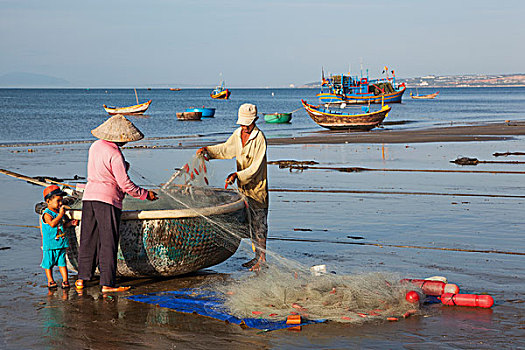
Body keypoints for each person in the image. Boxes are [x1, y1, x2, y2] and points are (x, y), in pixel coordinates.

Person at [75, 114, 158, 293]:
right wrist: (145, 194)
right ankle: (107, 283)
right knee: (108, 241)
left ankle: (82, 279)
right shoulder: (115, 154)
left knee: (88, 239)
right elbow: (125, 185)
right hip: (107, 201)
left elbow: (101, 171)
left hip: (89, 198)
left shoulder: (95, 146)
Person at [197, 103, 268, 271]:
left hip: (257, 188)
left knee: (259, 224)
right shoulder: (238, 134)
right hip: (243, 188)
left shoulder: (259, 139)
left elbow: (255, 168)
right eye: (243, 123)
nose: (245, 127)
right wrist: (208, 150)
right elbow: (225, 149)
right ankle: (256, 257)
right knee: (250, 224)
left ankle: (262, 259)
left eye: (247, 123)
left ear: (255, 120)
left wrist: (237, 175)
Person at [40, 185, 78, 289]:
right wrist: (61, 215)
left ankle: (65, 281)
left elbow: (61, 226)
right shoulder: (46, 214)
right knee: (48, 263)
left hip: (60, 243)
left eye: (61, 200)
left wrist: (70, 224)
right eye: (58, 201)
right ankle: (50, 280)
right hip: (50, 244)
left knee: (62, 263)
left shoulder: (57, 213)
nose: (60, 203)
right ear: (48, 201)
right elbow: (52, 224)